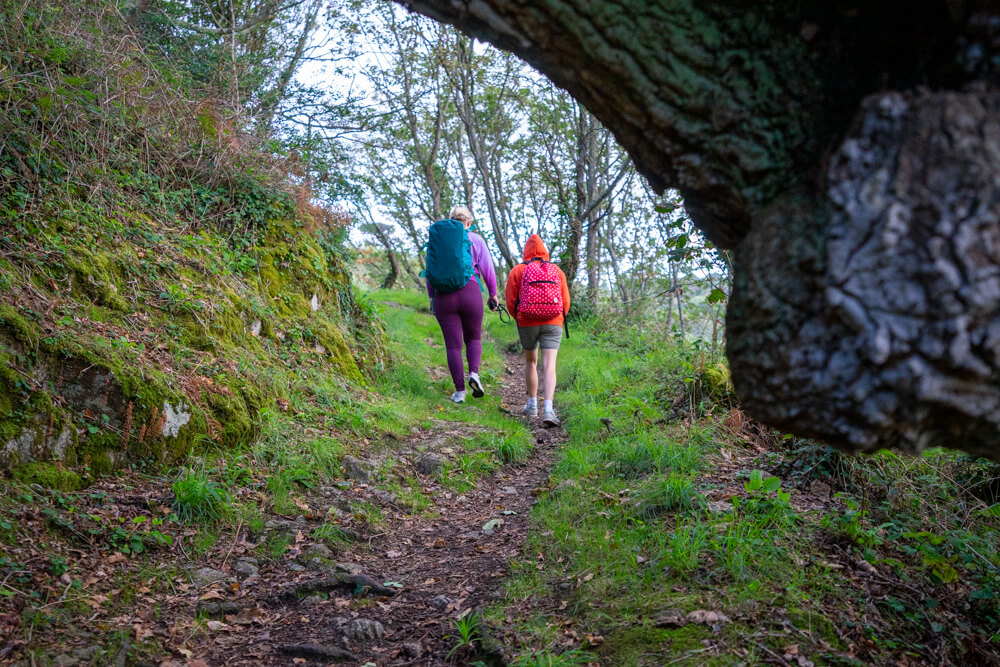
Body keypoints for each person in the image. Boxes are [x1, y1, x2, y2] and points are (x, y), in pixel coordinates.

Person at [427, 206, 498, 403]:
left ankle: (460, 393)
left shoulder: (438, 242)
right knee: (474, 338)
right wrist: (492, 294)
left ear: (451, 220)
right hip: (471, 292)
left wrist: (433, 299)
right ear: (468, 222)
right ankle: (474, 374)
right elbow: (488, 270)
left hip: (444, 297)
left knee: (453, 346)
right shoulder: (476, 239)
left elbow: (429, 272)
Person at [505, 234, 570, 427]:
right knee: (550, 365)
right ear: (545, 251)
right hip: (553, 321)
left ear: (526, 251)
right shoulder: (556, 270)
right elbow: (565, 301)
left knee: (531, 361)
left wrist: (521, 318)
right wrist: (557, 318)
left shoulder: (518, 270)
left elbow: (510, 301)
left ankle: (532, 405)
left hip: (527, 321)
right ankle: (549, 410)